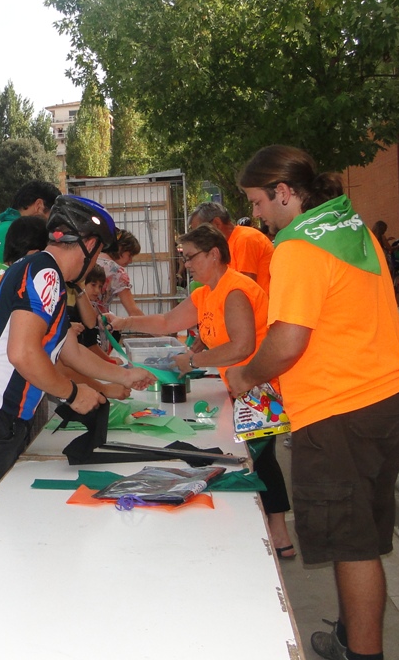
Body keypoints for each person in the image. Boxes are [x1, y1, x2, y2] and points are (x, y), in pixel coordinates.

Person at [226, 145, 399, 660]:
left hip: (340, 413)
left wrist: (246, 374)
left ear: (284, 193)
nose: (257, 216)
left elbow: (288, 341)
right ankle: (352, 637)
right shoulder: (351, 229)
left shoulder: (296, 247)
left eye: (258, 203)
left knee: (350, 547)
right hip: (388, 401)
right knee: (362, 537)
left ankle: (361, 654)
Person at [0, 196, 154, 527]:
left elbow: (70, 351)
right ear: (90, 245)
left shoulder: (44, 273)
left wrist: (123, 376)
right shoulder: (45, 273)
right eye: (99, 252)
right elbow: (23, 353)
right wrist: (72, 393)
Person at [107, 224, 295, 560]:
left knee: (261, 461)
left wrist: (192, 360)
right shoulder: (206, 291)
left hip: (261, 392)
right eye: (183, 258)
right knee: (252, 460)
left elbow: (242, 346)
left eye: (191, 257)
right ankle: (264, 531)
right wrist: (123, 324)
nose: (186, 265)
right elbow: (167, 322)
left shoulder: (235, 290)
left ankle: (277, 534)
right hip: (240, 389)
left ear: (214, 254)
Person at [0, 180, 61, 300]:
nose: (51, 224)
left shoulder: (0, 226)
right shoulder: (18, 233)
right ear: (39, 206)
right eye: (52, 216)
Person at [190, 201, 275, 292]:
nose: (198, 238)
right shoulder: (226, 245)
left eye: (200, 231)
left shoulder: (245, 239)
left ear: (217, 223)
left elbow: (246, 289)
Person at [95, 229, 144, 315]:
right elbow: (133, 310)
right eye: (130, 255)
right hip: (97, 320)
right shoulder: (117, 272)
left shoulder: (91, 259)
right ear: (120, 248)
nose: (130, 261)